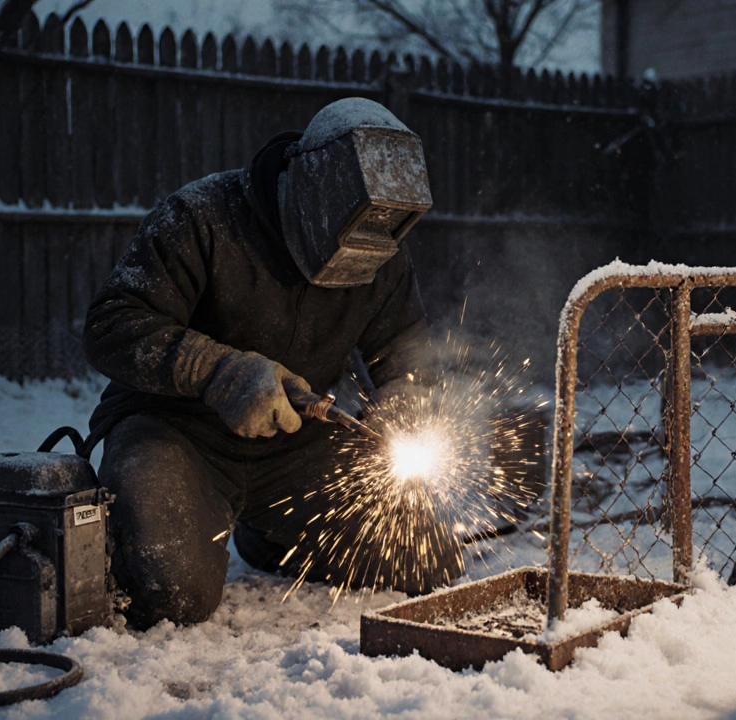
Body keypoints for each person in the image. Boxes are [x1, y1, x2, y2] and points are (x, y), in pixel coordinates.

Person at [82, 98, 462, 629]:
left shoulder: (382, 249)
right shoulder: (202, 216)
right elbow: (110, 325)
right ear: (308, 191)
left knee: (426, 558)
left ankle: (267, 534)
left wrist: (405, 399)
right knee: (169, 591)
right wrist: (216, 371)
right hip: (177, 434)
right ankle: (182, 521)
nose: (361, 253)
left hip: (295, 444)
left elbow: (403, 343)